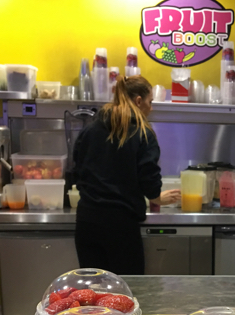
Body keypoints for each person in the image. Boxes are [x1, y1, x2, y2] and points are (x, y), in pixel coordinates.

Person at [73, 75, 180, 274]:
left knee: (94, 287)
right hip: (120, 225)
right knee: (128, 286)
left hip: (87, 221)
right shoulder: (142, 133)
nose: (151, 108)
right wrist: (157, 197)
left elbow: (77, 170)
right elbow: (148, 176)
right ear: (138, 101)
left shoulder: (90, 129)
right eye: (150, 102)